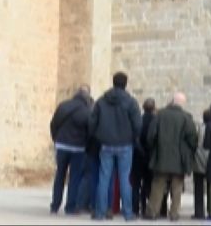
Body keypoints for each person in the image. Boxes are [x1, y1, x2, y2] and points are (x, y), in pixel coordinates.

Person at [89, 71, 142, 221]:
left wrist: (97, 137)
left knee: (104, 178)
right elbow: (138, 124)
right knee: (125, 179)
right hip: (125, 144)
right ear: (126, 83)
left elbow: (92, 122)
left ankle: (100, 212)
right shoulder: (131, 102)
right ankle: (128, 213)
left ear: (113, 82)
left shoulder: (101, 101)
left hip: (105, 143)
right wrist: (133, 137)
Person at [147, 92, 198, 222]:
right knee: (177, 187)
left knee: (158, 185)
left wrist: (153, 148)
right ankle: (174, 213)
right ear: (182, 103)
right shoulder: (186, 118)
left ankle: (153, 211)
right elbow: (193, 138)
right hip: (179, 157)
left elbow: (151, 135)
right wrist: (188, 151)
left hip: (161, 155)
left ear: (172, 101)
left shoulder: (160, 115)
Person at [51, 86, 93, 215]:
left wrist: (56, 139)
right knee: (74, 177)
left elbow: (54, 124)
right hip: (78, 148)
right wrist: (87, 145)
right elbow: (90, 131)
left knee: (60, 175)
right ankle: (70, 207)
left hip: (62, 145)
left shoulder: (63, 106)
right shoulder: (87, 111)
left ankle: (55, 205)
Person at [133, 98, 158, 217]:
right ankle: (147, 208)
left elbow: (135, 137)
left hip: (138, 155)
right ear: (154, 108)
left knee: (136, 184)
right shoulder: (156, 121)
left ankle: (135, 208)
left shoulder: (138, 120)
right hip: (151, 155)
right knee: (149, 183)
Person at [191, 107, 210, 221]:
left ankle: (199, 211)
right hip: (210, 159)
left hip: (198, 158)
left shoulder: (199, 128)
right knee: (210, 185)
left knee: (198, 187)